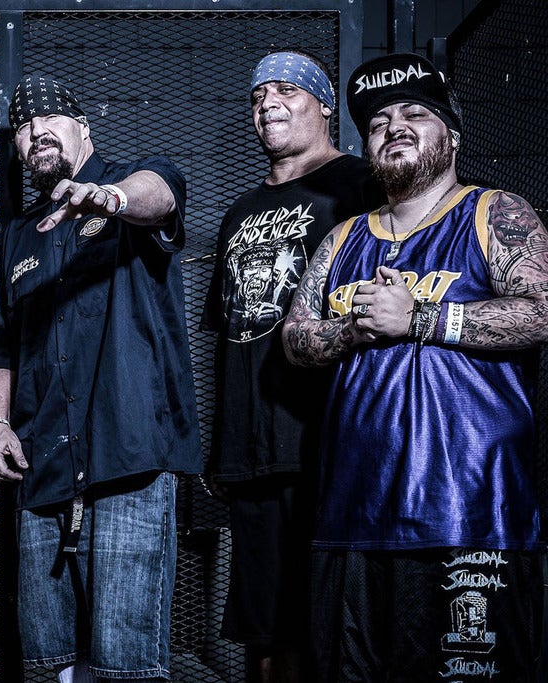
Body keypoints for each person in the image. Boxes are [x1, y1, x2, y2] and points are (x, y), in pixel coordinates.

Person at [282, 53, 546, 681]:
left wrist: (421, 318)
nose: (394, 127)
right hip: (354, 517)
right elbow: (294, 339)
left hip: (473, 516)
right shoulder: (343, 239)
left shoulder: (495, 212)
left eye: (415, 114)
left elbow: (541, 311)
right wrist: (353, 328)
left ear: (452, 135)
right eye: (378, 123)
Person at [0, 75, 201, 682]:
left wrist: (109, 198)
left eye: (51, 118)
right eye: (24, 126)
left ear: (84, 130)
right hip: (44, 463)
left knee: (125, 663)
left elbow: (160, 195)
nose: (36, 131)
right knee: (51, 661)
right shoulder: (18, 236)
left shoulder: (133, 183)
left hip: (129, 457)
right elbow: (0, 340)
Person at [200, 51, 383, 682]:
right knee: (266, 630)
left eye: (286, 90)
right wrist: (223, 444)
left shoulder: (361, 185)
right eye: (258, 96)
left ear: (324, 105)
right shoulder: (239, 211)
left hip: (330, 443)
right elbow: (231, 333)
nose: (268, 104)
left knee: (335, 623)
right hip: (251, 450)